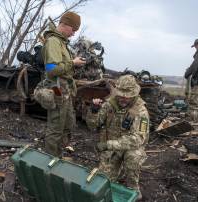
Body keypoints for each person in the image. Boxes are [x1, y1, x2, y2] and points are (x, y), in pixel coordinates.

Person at [92, 75, 149, 200]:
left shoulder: (141, 111)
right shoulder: (109, 105)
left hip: (129, 149)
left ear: (133, 94)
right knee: (103, 182)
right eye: (121, 94)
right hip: (112, 150)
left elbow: (138, 139)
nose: (123, 97)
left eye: (127, 95)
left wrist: (108, 144)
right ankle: (118, 170)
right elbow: (94, 126)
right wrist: (94, 111)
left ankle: (133, 187)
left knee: (133, 156)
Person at [42, 11, 86, 157]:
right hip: (57, 89)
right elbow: (51, 69)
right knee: (56, 127)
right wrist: (72, 63)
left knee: (67, 123)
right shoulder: (53, 41)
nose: (73, 34)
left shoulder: (61, 42)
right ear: (65, 24)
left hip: (65, 89)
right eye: (73, 30)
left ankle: (58, 155)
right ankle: (50, 161)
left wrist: (73, 63)